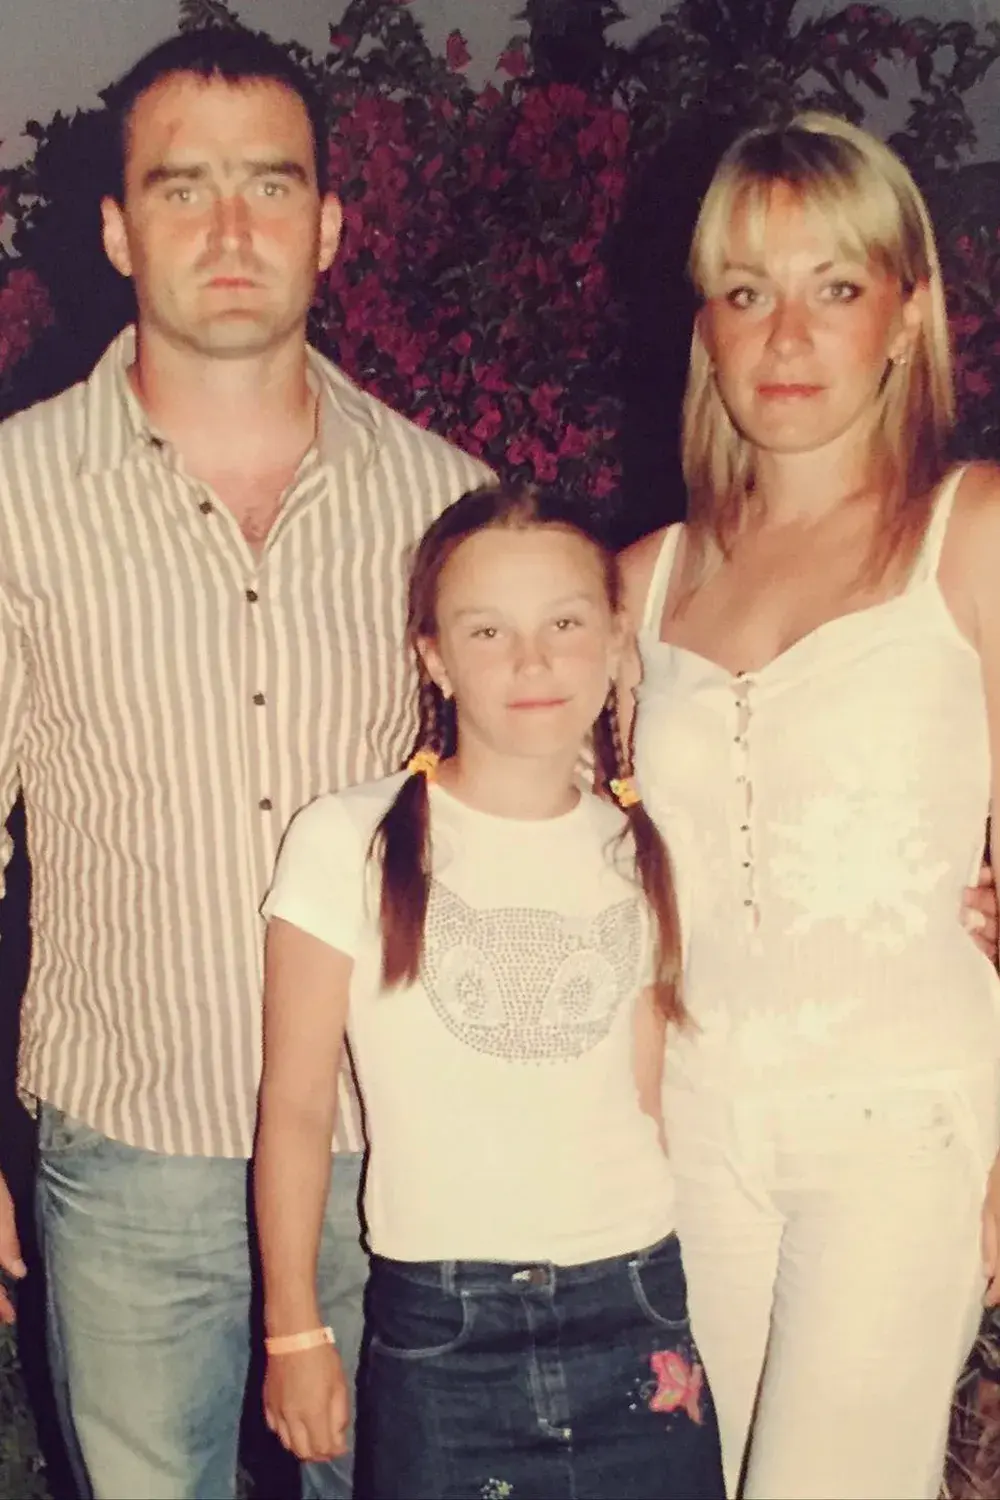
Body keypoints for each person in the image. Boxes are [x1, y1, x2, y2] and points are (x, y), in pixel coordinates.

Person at [0, 26, 491, 1500]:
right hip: (130, 1148)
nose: (229, 231)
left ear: (328, 224)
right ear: (117, 229)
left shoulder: (449, 503)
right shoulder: (16, 496)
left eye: (269, 186)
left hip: (394, 1146)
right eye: (182, 188)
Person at [619, 111, 1000, 1500]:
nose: (784, 336)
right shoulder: (639, 582)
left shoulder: (973, 533)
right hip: (691, 1135)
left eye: (833, 288)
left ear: (907, 314)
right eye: (745, 292)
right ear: (705, 329)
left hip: (900, 1124)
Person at [254, 483, 727, 1500]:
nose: (531, 661)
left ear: (615, 641)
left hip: (637, 1301)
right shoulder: (347, 838)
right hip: (442, 1326)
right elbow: (293, 1106)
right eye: (487, 631)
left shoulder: (642, 846)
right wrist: (294, 1328)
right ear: (434, 658)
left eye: (565, 624)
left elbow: (647, 1098)